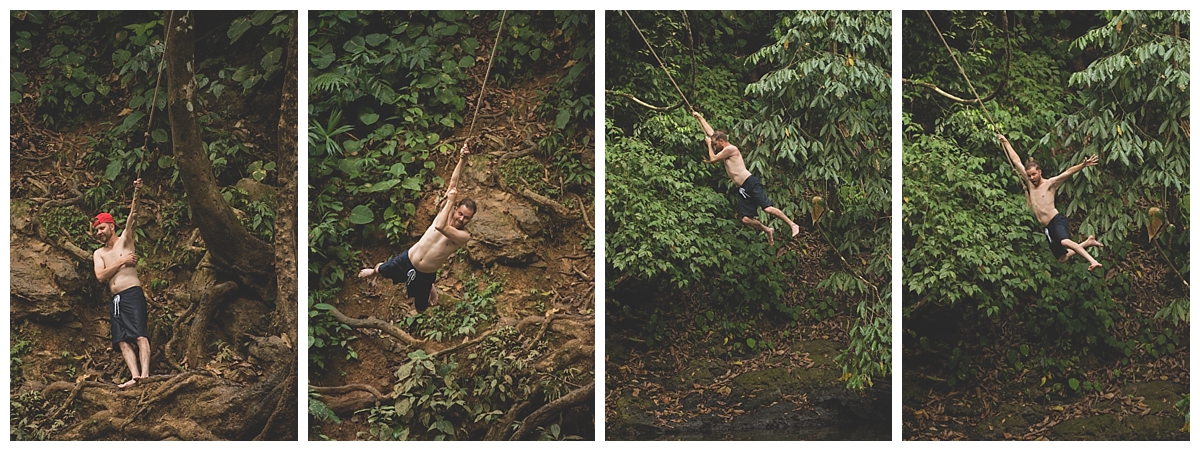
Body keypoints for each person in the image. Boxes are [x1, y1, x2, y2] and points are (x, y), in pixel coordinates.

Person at [359, 143, 476, 313]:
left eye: (467, 218)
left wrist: (451, 201)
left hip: (425, 274)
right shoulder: (447, 211)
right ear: (457, 209)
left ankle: (430, 286)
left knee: (421, 307)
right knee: (381, 269)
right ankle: (372, 272)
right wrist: (462, 159)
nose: (461, 218)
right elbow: (453, 182)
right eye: (460, 213)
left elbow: (440, 226)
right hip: (408, 259)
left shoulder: (463, 236)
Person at [692, 111, 800, 245]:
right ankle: (767, 230)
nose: (715, 146)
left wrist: (709, 144)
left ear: (721, 141)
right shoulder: (721, 144)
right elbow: (711, 133)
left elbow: (713, 159)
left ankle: (792, 224)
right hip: (741, 188)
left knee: (767, 209)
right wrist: (700, 118)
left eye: (715, 144)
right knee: (746, 219)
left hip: (750, 183)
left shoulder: (731, 149)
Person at [998, 133, 1104, 270]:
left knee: (1065, 241)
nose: (1031, 178)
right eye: (1029, 175)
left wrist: (1083, 165)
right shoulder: (1030, 183)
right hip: (1047, 228)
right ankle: (1088, 242)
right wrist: (1006, 142)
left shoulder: (1050, 184)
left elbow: (1067, 173)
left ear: (1040, 172)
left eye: (1033, 174)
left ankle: (1092, 260)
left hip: (1055, 221)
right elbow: (1016, 161)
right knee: (1062, 258)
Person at [92, 178, 151, 388]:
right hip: (115, 299)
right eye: (96, 230)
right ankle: (134, 377)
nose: (99, 232)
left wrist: (137, 192)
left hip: (131, 294)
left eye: (101, 228)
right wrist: (121, 261)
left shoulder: (126, 240)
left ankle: (145, 375)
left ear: (111, 225)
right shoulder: (98, 253)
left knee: (139, 335)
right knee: (121, 340)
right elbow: (101, 276)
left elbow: (132, 217)